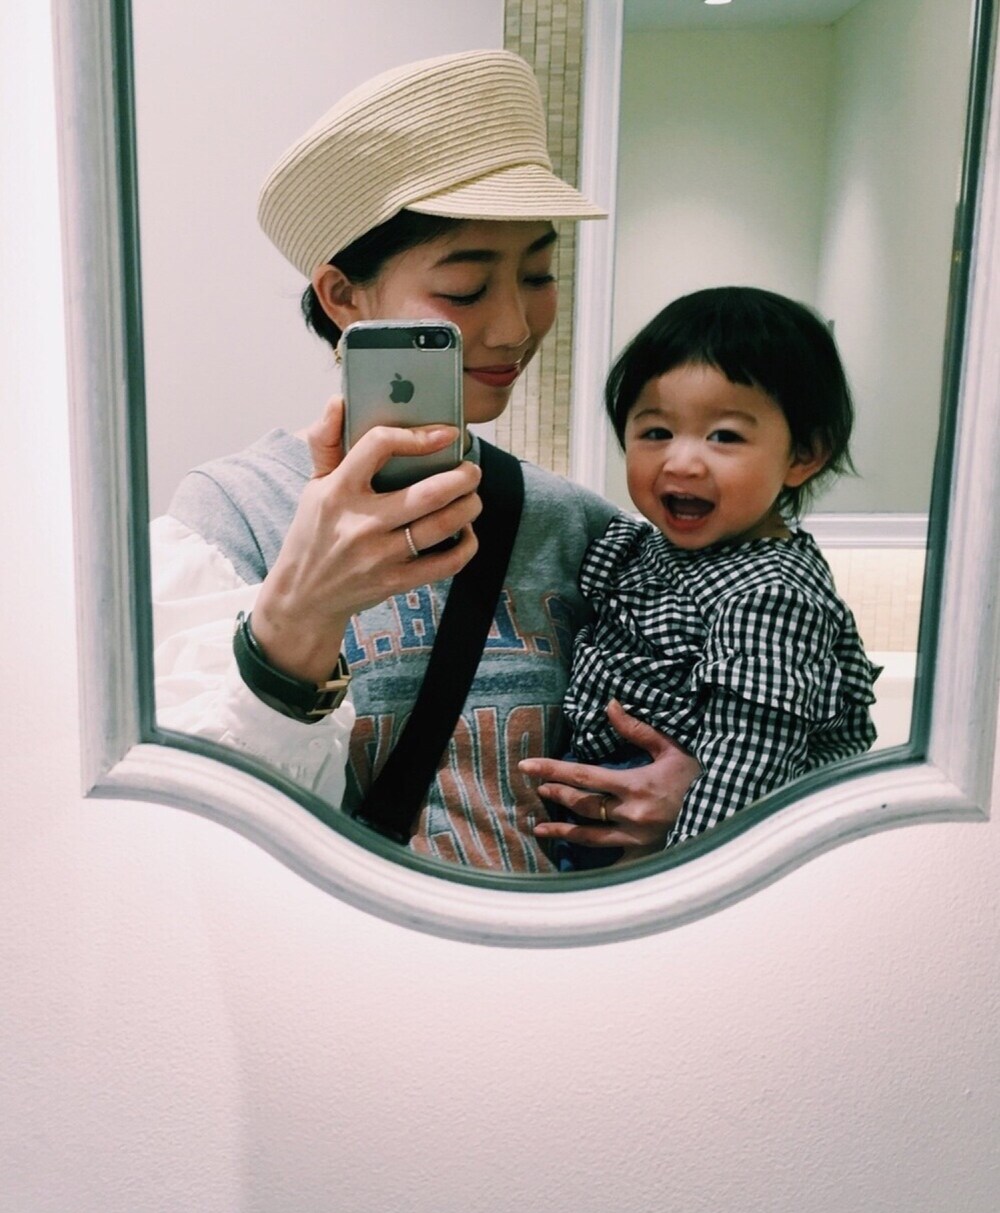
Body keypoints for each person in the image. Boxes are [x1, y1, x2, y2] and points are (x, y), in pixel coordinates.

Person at [152, 49, 700, 875]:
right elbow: (182, 835)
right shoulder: (234, 517)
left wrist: (688, 797)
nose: (516, 327)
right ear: (343, 297)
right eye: (466, 290)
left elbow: (719, 718)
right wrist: (300, 615)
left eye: (539, 273)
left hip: (560, 951)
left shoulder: (579, 526)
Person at [534, 287, 881, 872]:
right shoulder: (646, 548)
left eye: (724, 436)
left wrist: (683, 877)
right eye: (655, 432)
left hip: (684, 842)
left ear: (803, 455)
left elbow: (749, 760)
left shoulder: (769, 593)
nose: (681, 462)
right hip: (610, 809)